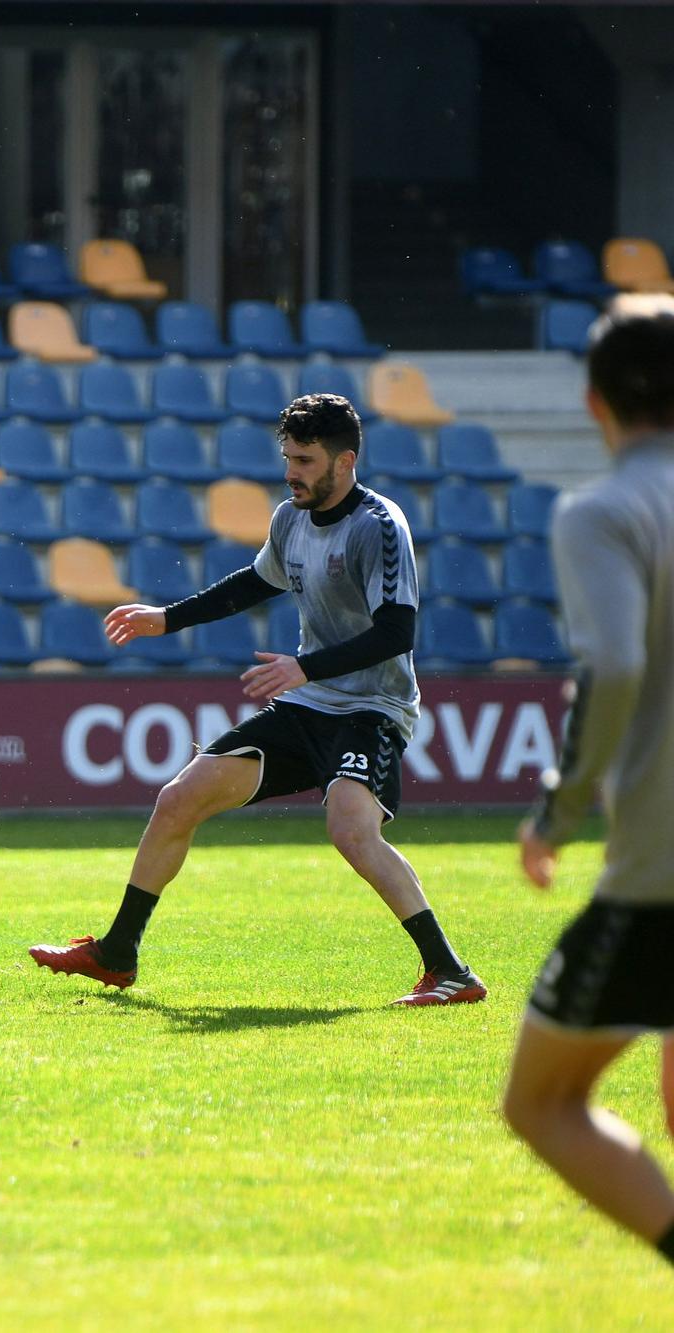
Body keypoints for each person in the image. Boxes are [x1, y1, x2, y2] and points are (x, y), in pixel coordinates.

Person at [29, 393, 485, 1007]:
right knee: (177, 799)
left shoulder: (380, 526)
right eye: (288, 458)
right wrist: (167, 619)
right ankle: (118, 951)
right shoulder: (290, 518)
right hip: (308, 703)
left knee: (351, 831)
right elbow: (255, 582)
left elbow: (397, 633)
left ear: (344, 461)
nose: (291, 472)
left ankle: (450, 971)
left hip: (372, 708)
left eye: (304, 459)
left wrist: (304, 667)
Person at [501, 295, 674, 1270]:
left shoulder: (601, 510)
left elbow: (608, 668)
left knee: (540, 1101)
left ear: (592, 403)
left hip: (657, 869)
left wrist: (557, 813)